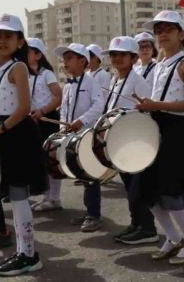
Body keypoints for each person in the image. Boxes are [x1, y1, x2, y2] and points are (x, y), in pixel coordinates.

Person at [0, 14, 46, 276]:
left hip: (17, 135)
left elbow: (24, 108)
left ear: (19, 42)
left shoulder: (18, 67)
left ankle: (28, 255)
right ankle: (22, 251)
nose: (2, 41)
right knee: (14, 199)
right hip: (5, 133)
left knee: (19, 197)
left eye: (8, 36)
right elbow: (0, 107)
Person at [136, 11, 184, 265]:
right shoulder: (160, 64)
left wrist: (157, 105)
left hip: (178, 129)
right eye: (158, 31)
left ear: (181, 34)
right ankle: (173, 236)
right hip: (159, 126)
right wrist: (148, 106)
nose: (162, 34)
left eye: (167, 29)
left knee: (171, 190)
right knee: (148, 190)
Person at [99, 37, 155, 245]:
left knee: (136, 189)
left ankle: (148, 229)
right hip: (119, 141)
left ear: (133, 58)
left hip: (135, 140)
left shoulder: (138, 81)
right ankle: (136, 223)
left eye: (121, 54)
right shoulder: (116, 79)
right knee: (128, 185)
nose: (116, 58)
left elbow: (145, 112)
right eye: (113, 55)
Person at [53, 43, 106, 232]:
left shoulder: (91, 82)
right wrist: (62, 128)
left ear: (82, 61)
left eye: (69, 58)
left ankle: (94, 215)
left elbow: (99, 104)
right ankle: (88, 211)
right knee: (82, 175)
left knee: (91, 176)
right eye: (64, 58)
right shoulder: (67, 86)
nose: (65, 62)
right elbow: (64, 111)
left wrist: (81, 121)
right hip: (72, 136)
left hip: (86, 135)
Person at [27, 38, 63, 212]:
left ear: (38, 55)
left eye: (28, 51)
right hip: (34, 120)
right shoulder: (25, 74)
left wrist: (42, 111)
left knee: (51, 159)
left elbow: (58, 97)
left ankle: (55, 198)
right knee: (41, 160)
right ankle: (47, 197)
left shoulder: (46, 74)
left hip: (47, 119)